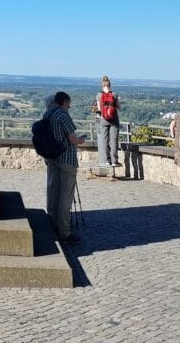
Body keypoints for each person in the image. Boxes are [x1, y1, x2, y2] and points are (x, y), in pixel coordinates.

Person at [44, 92, 86, 243]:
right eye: (68, 104)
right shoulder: (62, 115)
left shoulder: (47, 115)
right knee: (66, 197)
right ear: (64, 103)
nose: (69, 107)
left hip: (52, 157)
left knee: (53, 192)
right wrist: (80, 140)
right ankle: (64, 232)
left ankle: (52, 224)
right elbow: (72, 139)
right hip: (66, 159)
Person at [95, 75, 120, 167]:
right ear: (110, 85)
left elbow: (99, 109)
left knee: (105, 140)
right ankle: (114, 161)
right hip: (114, 120)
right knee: (113, 141)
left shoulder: (99, 95)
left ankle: (107, 160)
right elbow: (119, 107)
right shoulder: (114, 94)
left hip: (104, 120)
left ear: (102, 85)